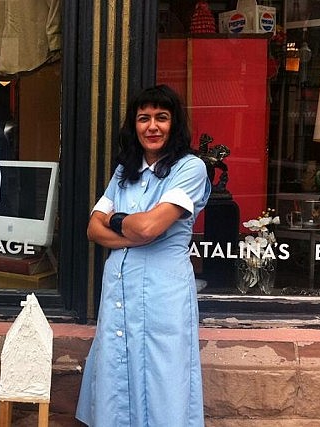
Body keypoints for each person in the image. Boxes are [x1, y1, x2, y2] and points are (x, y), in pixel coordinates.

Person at [76, 84, 211, 426]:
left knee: (162, 377)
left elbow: (150, 226)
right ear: (134, 126)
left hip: (162, 293)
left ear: (174, 124)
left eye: (161, 118)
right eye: (144, 118)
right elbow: (92, 229)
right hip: (120, 291)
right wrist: (133, 236)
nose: (152, 126)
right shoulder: (125, 172)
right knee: (117, 370)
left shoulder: (190, 169)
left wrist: (117, 220)